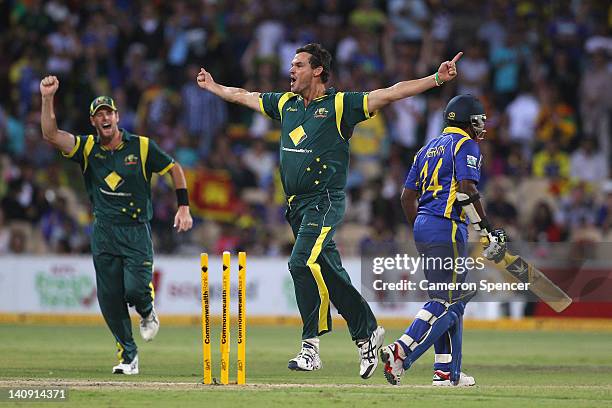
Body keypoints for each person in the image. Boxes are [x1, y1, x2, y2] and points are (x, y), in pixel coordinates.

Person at [196, 43, 462, 379]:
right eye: (291, 65)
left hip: (324, 201)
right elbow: (244, 95)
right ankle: (367, 333)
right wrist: (215, 87)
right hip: (296, 207)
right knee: (331, 273)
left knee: (300, 262)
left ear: (318, 69)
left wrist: (436, 78)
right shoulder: (285, 103)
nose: (290, 71)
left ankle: (310, 346)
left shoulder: (340, 105)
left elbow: (391, 93)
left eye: (298, 65)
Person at [40, 76, 193, 375]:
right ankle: (129, 356)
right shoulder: (86, 148)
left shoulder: (142, 147)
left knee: (135, 291)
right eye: (99, 114)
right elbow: (50, 134)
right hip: (105, 232)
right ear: (93, 121)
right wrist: (47, 98)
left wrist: (183, 206)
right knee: (109, 299)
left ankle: (147, 311)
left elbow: (174, 168)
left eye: (109, 112)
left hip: (135, 230)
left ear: (117, 117)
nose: (105, 117)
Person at [379, 94, 507, 386]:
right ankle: (402, 351)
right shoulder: (465, 144)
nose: (481, 125)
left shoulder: (426, 148)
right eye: (478, 120)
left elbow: (406, 197)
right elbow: (465, 190)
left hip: (426, 223)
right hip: (447, 226)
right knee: (448, 301)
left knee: (453, 299)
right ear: (466, 120)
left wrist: (423, 226)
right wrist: (487, 230)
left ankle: (447, 372)